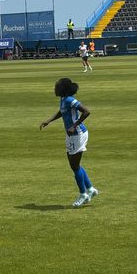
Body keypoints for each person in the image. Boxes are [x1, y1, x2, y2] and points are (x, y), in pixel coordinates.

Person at [40, 77, 98, 208]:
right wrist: (49, 120)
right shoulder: (63, 100)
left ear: (63, 90)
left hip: (78, 134)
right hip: (72, 135)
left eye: (56, 87)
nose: (54, 89)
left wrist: (74, 125)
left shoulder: (70, 100)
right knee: (74, 165)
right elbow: (62, 111)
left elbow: (86, 111)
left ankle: (83, 195)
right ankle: (90, 189)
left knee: (75, 166)